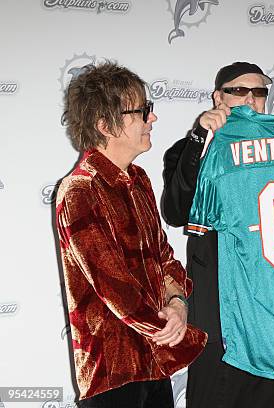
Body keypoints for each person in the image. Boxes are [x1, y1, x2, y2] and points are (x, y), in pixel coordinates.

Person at [56, 61, 206, 407]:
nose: (151, 118)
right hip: (113, 371)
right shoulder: (80, 190)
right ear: (105, 125)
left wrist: (178, 304)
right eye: (143, 110)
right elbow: (114, 285)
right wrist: (170, 329)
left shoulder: (139, 180)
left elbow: (164, 257)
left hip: (154, 365)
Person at [161, 61, 274, 408]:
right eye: (239, 91)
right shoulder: (190, 149)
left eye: (259, 92)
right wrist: (202, 140)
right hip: (218, 317)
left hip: (269, 318)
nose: (250, 99)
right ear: (218, 97)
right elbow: (175, 212)